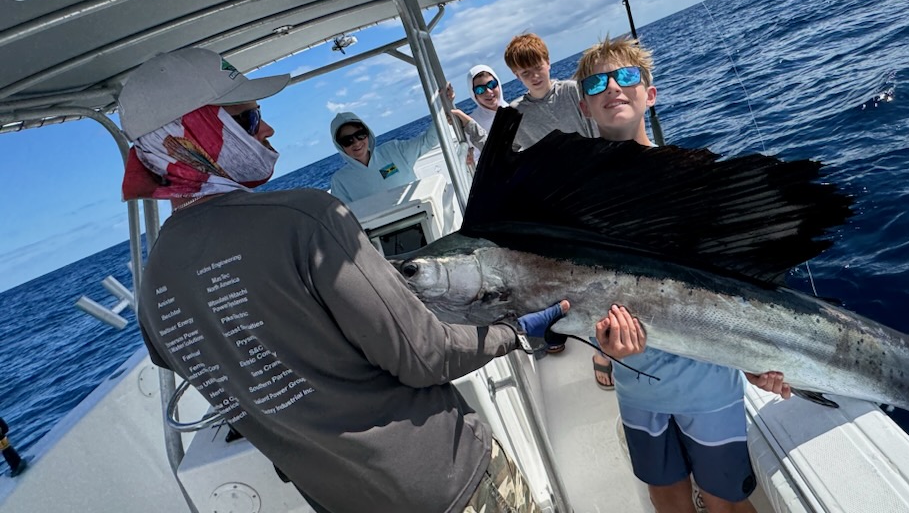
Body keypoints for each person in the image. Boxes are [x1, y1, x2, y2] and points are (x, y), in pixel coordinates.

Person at [118, 47, 570, 513]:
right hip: (448, 479)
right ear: (186, 138)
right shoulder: (305, 217)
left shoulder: (152, 291)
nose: (268, 129)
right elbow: (426, 355)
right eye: (250, 118)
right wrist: (513, 332)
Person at [574, 37, 791, 513]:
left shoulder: (695, 182)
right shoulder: (578, 200)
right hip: (636, 388)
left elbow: (740, 281)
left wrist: (755, 357)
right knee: (666, 498)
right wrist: (603, 345)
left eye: (627, 76)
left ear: (650, 94)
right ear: (586, 106)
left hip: (708, 386)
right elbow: (578, 292)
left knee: (726, 502)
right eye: (597, 82)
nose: (613, 86)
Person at [503, 33, 597, 150]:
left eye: (538, 67)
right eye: (525, 73)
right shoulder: (515, 113)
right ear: (517, 75)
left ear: (548, 62)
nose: (535, 76)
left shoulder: (573, 90)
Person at [329, 110, 440, 203]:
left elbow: (428, 140)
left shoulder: (394, 150)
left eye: (360, 135)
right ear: (340, 146)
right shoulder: (340, 181)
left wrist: (442, 109)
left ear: (367, 133)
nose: (356, 143)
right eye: (347, 140)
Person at [449, 63, 508, 164]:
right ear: (474, 95)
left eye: (492, 84)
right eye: (480, 90)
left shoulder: (516, 111)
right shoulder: (469, 123)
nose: (489, 92)